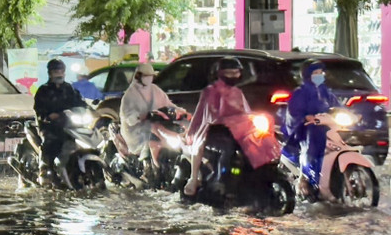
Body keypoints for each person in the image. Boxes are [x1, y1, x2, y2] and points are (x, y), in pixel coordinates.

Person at [184, 56, 279, 196]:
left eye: (236, 72)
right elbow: (210, 114)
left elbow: (246, 111)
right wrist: (231, 120)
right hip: (215, 132)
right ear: (220, 73)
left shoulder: (237, 92)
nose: (233, 76)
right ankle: (216, 180)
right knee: (227, 148)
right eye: (229, 73)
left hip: (237, 131)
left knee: (261, 141)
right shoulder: (211, 91)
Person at [283, 60, 340, 193]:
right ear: (307, 75)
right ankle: (306, 176)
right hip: (306, 129)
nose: (319, 75)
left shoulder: (325, 91)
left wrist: (349, 114)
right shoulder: (300, 92)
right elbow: (294, 111)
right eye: (316, 73)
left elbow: (337, 106)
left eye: (321, 72)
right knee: (311, 148)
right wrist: (305, 117)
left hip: (324, 127)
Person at [119, 62, 184, 170]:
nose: (149, 79)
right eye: (146, 76)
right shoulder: (130, 95)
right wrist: (141, 116)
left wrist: (181, 112)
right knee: (149, 142)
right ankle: (147, 168)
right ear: (138, 76)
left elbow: (168, 104)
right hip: (136, 131)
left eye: (150, 76)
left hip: (156, 126)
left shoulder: (155, 90)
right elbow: (129, 118)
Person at [33, 58, 85, 182]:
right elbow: (39, 109)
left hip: (70, 125)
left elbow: (80, 103)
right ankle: (44, 169)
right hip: (50, 126)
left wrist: (89, 110)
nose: (59, 73)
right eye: (56, 71)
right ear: (50, 73)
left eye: (61, 70)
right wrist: (48, 116)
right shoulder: (43, 90)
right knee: (51, 142)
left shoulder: (70, 89)